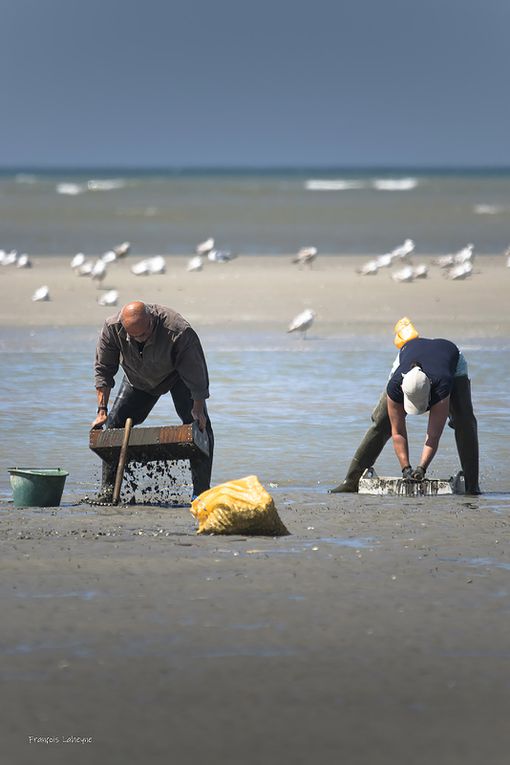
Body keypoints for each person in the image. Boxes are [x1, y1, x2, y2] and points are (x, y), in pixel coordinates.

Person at [330, 325, 480, 495]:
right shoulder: (394, 386)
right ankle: (351, 481)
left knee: (464, 421)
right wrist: (406, 469)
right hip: (407, 356)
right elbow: (398, 431)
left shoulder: (442, 386)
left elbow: (433, 436)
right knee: (382, 420)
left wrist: (421, 468)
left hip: (450, 360)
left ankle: (472, 486)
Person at [92, 301, 214, 502]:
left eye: (145, 333)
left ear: (152, 320)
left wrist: (198, 411)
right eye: (135, 336)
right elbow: (103, 370)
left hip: (178, 376)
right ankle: (108, 492)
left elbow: (198, 378)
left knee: (200, 427)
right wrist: (102, 409)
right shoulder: (112, 328)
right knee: (113, 425)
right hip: (138, 378)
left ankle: (201, 494)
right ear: (125, 329)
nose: (141, 338)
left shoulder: (177, 330)